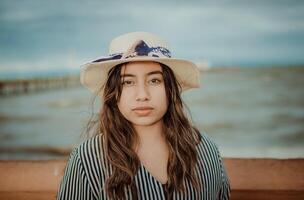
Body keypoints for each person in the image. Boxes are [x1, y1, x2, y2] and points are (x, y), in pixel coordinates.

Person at [57, 31, 230, 200]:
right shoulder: (87, 160)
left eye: (154, 80)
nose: (142, 95)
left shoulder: (206, 151)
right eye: (128, 82)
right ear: (113, 92)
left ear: (170, 89)